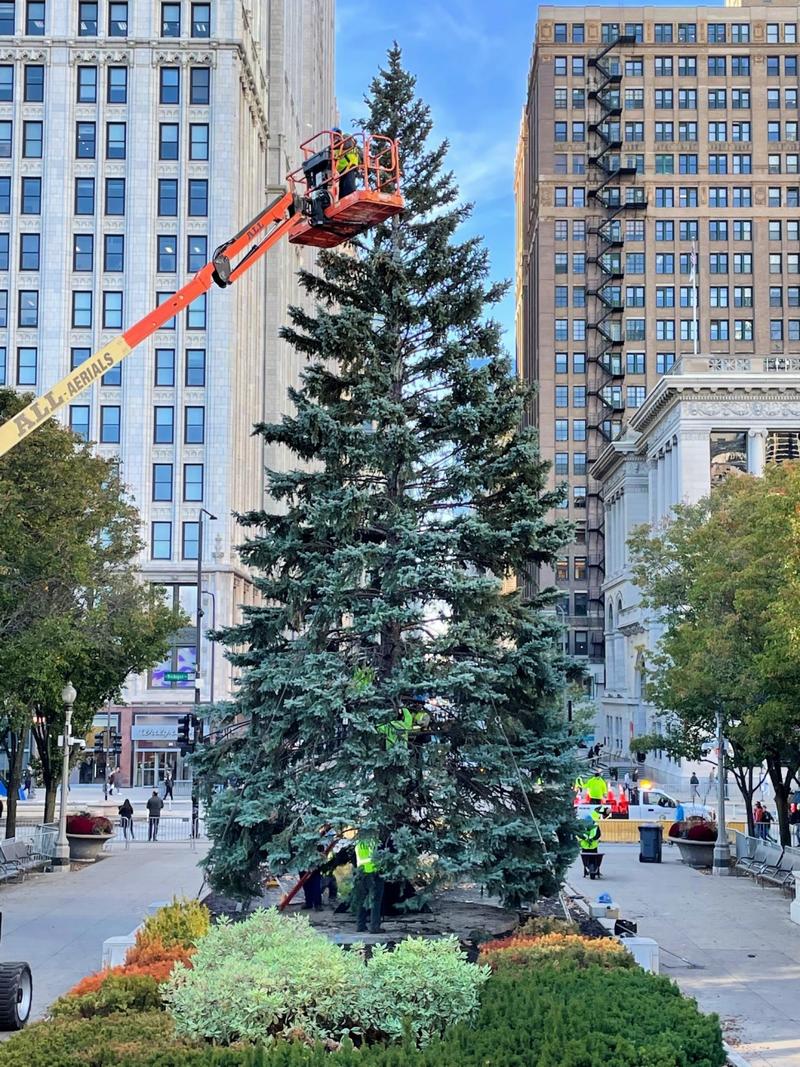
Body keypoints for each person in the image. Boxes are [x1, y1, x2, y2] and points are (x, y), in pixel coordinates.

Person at [352, 838, 384, 934]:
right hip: (373, 873)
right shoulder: (373, 842)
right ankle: (374, 927)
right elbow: (378, 857)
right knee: (376, 900)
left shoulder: (358, 843)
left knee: (362, 900)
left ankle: (360, 925)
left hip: (361, 873)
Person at [333, 128, 361, 199]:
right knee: (342, 191)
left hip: (349, 167)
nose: (336, 137)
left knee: (349, 189)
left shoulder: (345, 138)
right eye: (334, 136)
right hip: (341, 172)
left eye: (337, 134)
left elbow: (348, 144)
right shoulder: (334, 147)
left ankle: (351, 198)